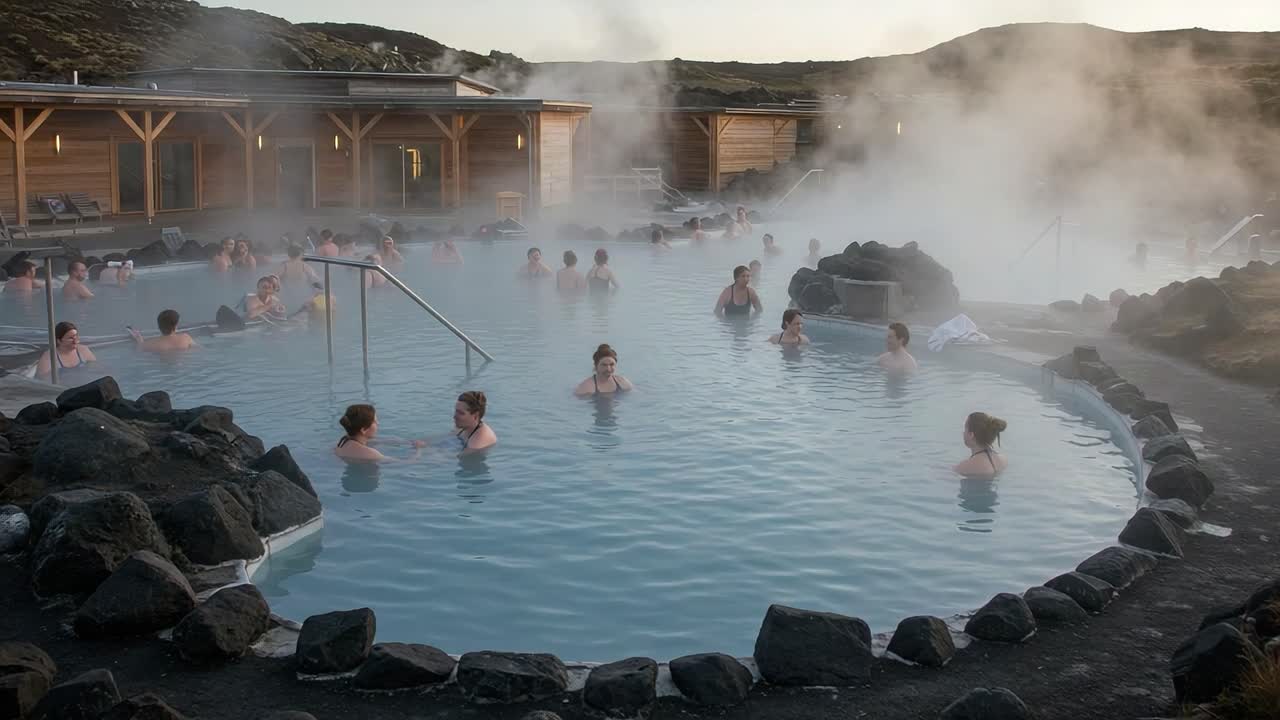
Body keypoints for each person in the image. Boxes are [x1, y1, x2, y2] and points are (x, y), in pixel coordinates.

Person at [335, 404, 422, 462]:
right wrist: (418, 449)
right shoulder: (371, 454)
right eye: (375, 422)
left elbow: (377, 441)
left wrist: (406, 442)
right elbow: (407, 463)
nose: (378, 424)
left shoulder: (343, 441)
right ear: (363, 430)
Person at [954, 412, 1008, 477]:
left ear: (971, 435)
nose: (963, 433)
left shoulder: (964, 467)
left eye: (965, 429)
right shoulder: (1003, 460)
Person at [128, 309, 196, 352]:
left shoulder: (150, 344)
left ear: (159, 326)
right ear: (175, 326)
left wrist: (140, 340)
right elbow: (198, 349)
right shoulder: (185, 338)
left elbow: (138, 351)